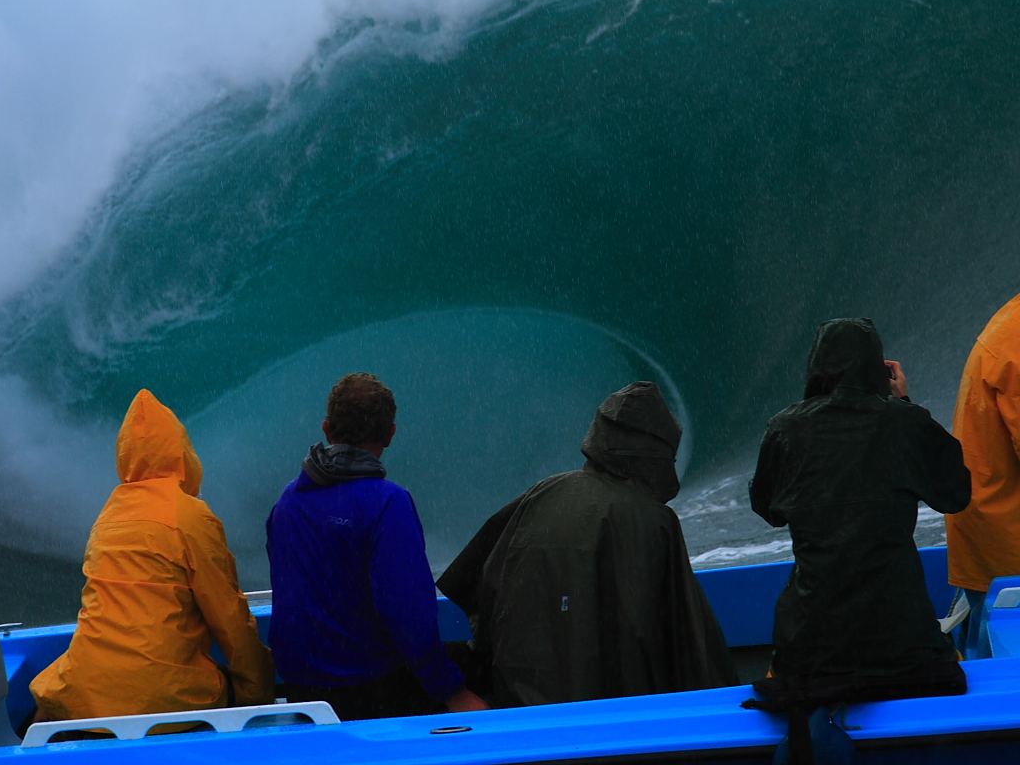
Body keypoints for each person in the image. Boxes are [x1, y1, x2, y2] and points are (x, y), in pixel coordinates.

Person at [743, 319, 970, 761]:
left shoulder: (785, 429)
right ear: (877, 370)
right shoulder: (903, 422)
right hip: (904, 644)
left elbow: (767, 510)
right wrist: (902, 402)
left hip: (811, 650)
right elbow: (954, 494)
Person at [437, 381, 737, 708]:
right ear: (659, 450)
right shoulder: (654, 520)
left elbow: (476, 580)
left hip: (523, 698)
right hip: (615, 709)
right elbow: (685, 633)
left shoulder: (542, 493)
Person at [30, 389, 274, 724]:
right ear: (183, 452)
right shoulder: (190, 516)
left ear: (125, 455)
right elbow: (229, 616)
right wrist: (257, 691)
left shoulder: (108, 516)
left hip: (87, 692)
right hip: (168, 699)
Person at [266, 373, 489, 720]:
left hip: (302, 690)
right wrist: (454, 692)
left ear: (326, 429)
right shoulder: (387, 503)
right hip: (373, 691)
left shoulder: (287, 503)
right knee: (485, 663)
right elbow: (406, 611)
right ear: (390, 434)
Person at [946, 292, 1020, 649]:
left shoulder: (1009, 325)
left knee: (987, 652)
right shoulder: (1014, 340)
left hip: (986, 535)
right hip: (1009, 548)